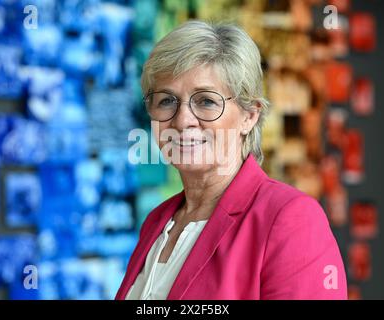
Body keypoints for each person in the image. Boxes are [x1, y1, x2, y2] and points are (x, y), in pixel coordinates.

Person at [116, 20, 347, 300]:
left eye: (206, 101)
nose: (183, 120)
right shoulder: (156, 222)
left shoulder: (289, 219)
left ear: (249, 116)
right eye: (166, 101)